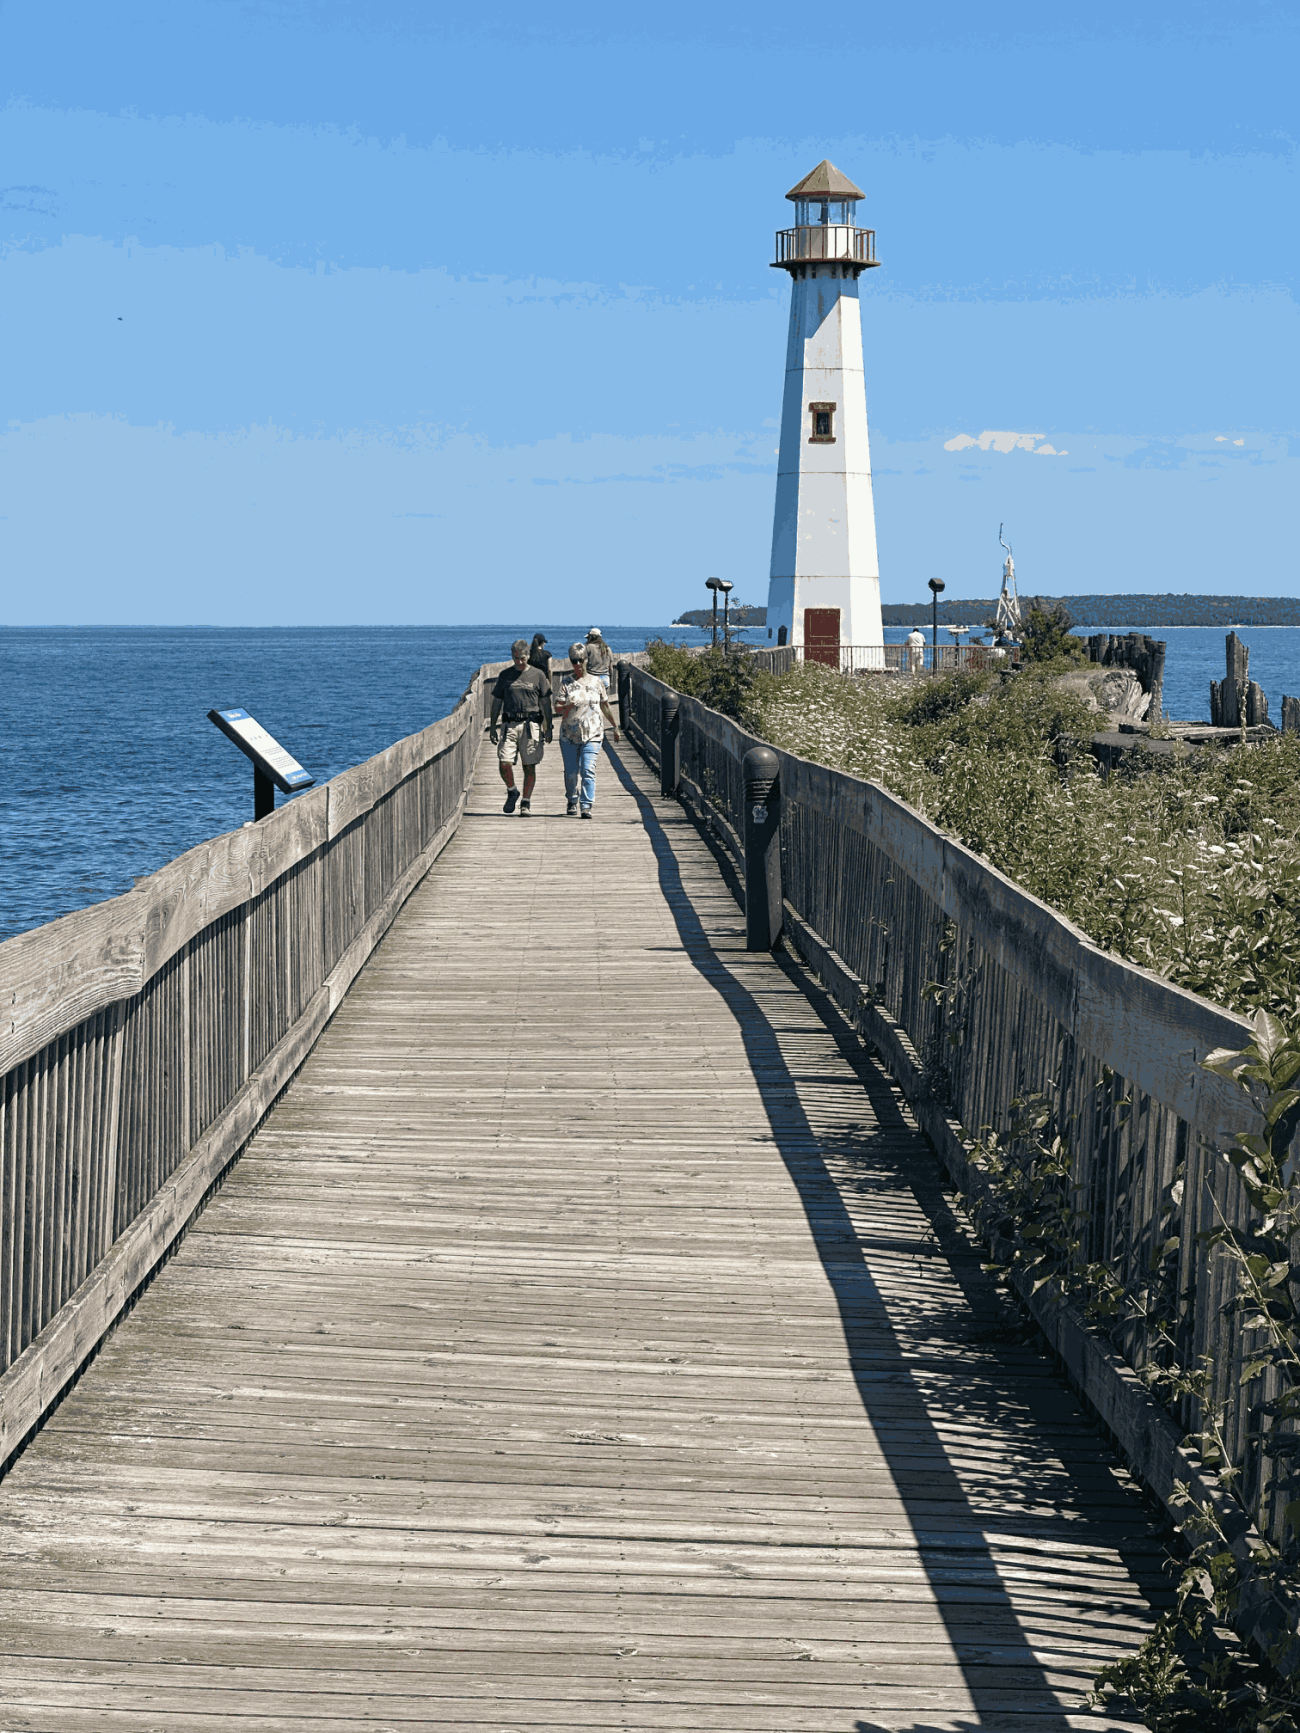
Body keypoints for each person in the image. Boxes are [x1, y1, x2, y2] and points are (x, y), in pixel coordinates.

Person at [555, 642, 620, 819]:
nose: (577, 664)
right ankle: (572, 799)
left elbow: (605, 705)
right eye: (574, 661)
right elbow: (557, 708)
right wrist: (567, 705)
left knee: (587, 769)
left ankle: (586, 805)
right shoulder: (566, 683)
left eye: (580, 660)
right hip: (569, 735)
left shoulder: (597, 682)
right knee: (571, 772)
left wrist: (615, 726)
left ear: (586, 660)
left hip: (593, 733)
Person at [489, 639, 553, 815]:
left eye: (522, 658)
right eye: (516, 658)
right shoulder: (505, 675)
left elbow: (546, 702)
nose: (519, 662)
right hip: (509, 725)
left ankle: (526, 802)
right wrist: (493, 726)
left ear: (528, 656)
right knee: (504, 762)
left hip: (530, 725)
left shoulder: (538, 675)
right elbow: (497, 701)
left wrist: (549, 726)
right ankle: (512, 790)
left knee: (529, 766)